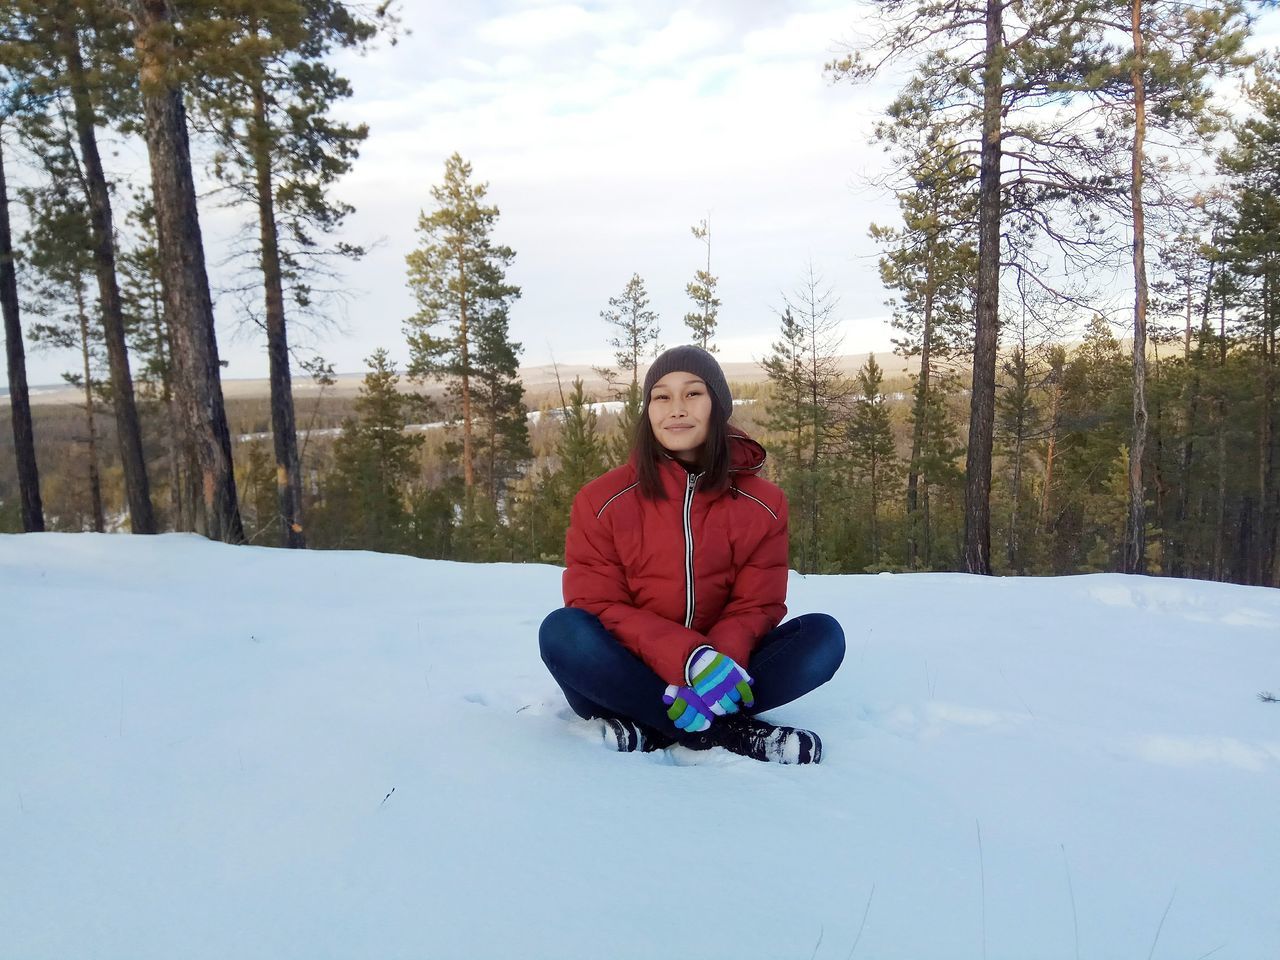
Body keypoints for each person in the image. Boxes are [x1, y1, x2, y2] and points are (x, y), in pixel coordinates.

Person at [538, 345, 845, 764]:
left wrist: (716, 662)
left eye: (693, 393)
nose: (676, 408)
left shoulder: (764, 504)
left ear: (717, 406)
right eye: (661, 396)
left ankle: (657, 727)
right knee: (563, 632)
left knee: (823, 638)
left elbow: (756, 603)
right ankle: (733, 733)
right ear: (647, 411)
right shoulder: (601, 500)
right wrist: (689, 658)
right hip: (626, 672)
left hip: (722, 669)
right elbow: (597, 603)